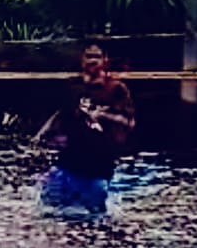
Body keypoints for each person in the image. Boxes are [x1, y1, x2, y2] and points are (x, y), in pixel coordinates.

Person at [37, 42, 135, 213]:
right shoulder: (72, 87)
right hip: (69, 160)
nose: (92, 61)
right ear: (82, 60)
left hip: (99, 163)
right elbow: (61, 113)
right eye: (88, 56)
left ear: (105, 60)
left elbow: (128, 122)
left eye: (97, 57)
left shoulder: (116, 89)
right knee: (47, 209)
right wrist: (42, 133)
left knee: (93, 214)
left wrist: (102, 115)